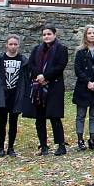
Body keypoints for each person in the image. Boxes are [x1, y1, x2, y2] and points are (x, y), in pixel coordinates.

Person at [22, 24, 69, 156]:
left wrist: (46, 76)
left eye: (49, 34)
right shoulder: (37, 49)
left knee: (55, 117)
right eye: (44, 35)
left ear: (55, 34)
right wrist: (39, 76)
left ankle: (61, 145)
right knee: (40, 118)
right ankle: (43, 145)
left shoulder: (61, 49)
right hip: (39, 87)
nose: (46, 37)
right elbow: (30, 64)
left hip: (54, 86)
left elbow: (60, 66)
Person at [0, 35, 28, 157]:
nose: (12, 46)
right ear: (6, 45)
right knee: (2, 123)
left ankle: (11, 147)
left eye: (15, 44)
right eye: (10, 44)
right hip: (2, 95)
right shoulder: (0, 59)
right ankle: (1, 148)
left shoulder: (23, 59)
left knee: (13, 122)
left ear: (18, 45)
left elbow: (26, 77)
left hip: (16, 95)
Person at [72, 25, 94, 151]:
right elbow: (78, 69)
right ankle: (80, 139)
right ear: (85, 35)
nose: (92, 35)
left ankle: (92, 139)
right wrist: (87, 81)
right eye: (89, 33)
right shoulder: (80, 51)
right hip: (83, 86)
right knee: (81, 115)